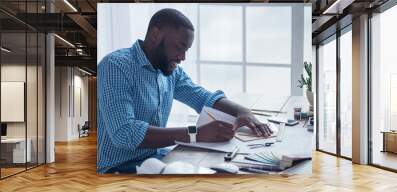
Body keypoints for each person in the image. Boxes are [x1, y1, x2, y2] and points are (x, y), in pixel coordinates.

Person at [97, 8, 272, 174]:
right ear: (155, 35)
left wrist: (243, 112)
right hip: (116, 168)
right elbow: (124, 133)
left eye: (186, 50)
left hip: (154, 158)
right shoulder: (115, 66)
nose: (182, 57)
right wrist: (196, 133)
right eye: (179, 47)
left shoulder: (171, 71)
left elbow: (203, 98)